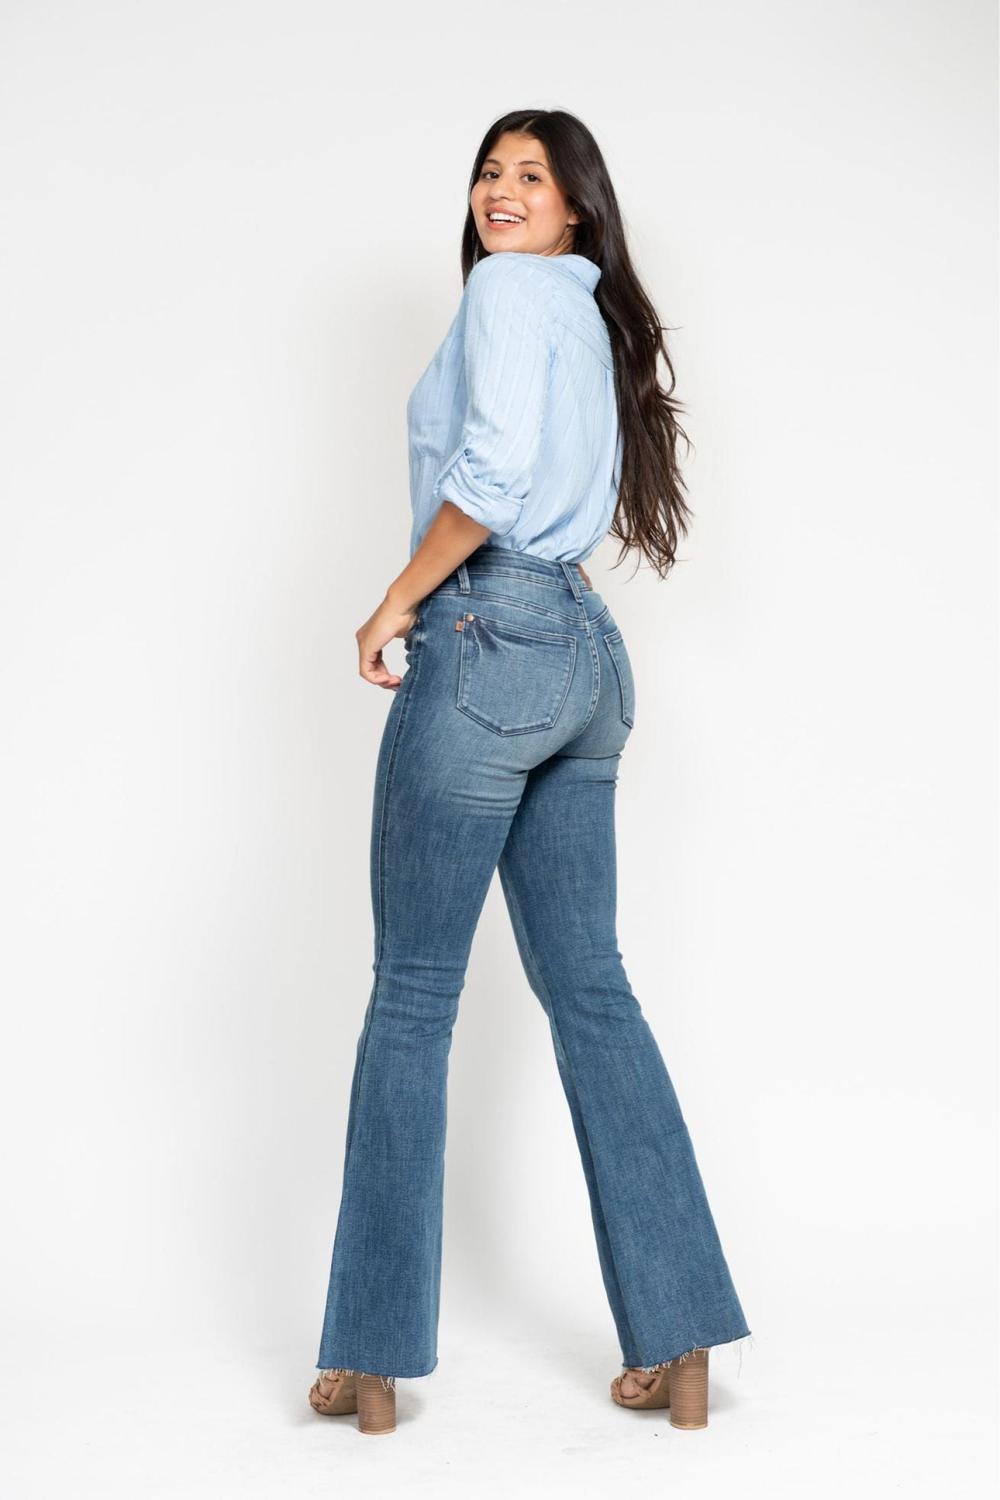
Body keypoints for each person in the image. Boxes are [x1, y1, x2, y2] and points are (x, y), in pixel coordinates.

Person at [308, 108, 752, 1437]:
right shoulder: (587, 313)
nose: (501, 191)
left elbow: (493, 476)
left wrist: (397, 599)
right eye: (489, 172)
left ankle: (370, 1360)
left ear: (575, 206)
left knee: (413, 1000)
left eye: (532, 175)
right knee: (595, 995)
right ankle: (680, 1340)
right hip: (585, 653)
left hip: (488, 639)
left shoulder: (508, 294)